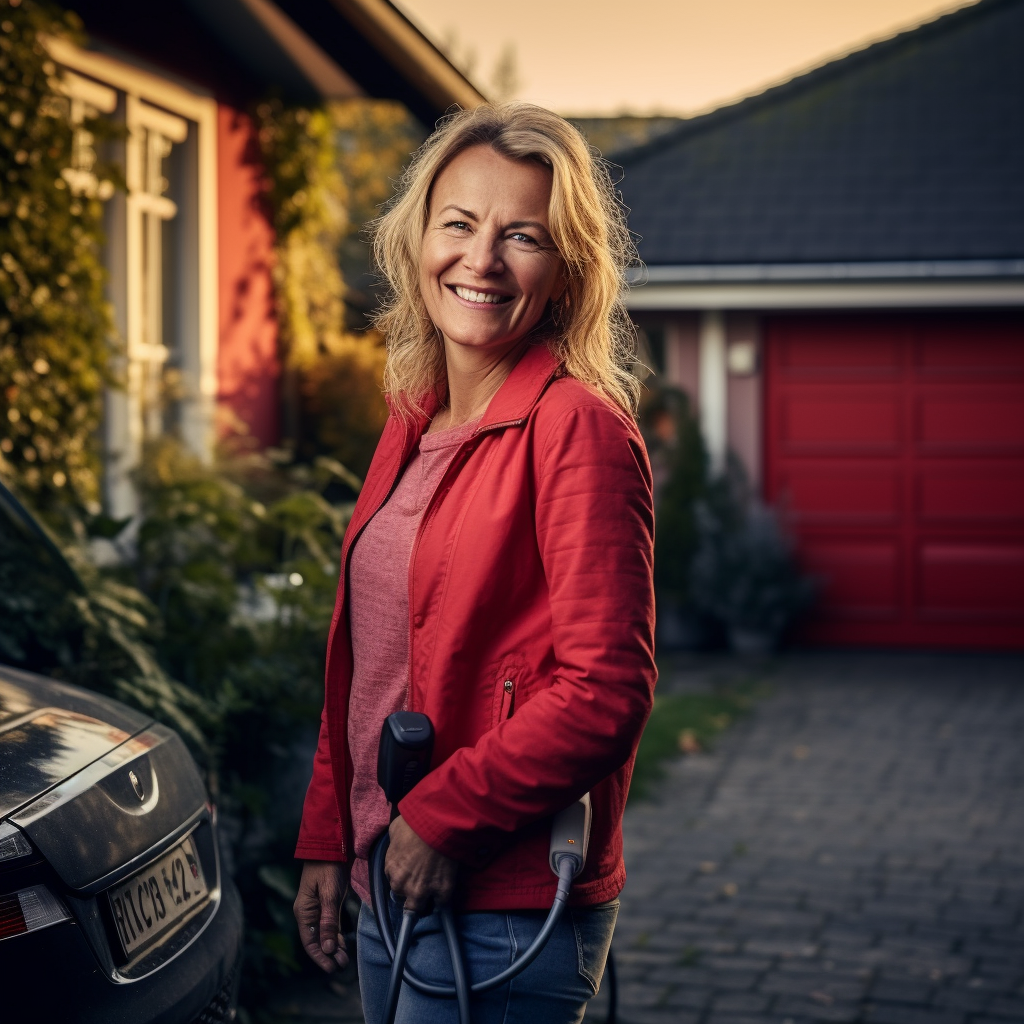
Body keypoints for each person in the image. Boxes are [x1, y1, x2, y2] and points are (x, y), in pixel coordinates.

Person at [293, 102, 656, 1024]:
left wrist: (441, 819)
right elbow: (372, 659)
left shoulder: (577, 428)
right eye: (458, 223)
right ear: (418, 238)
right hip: (389, 879)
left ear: (566, 273)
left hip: (503, 903)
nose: (481, 259)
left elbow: (606, 689)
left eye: (522, 235)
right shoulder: (414, 418)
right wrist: (331, 837)